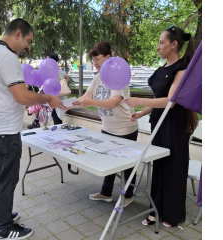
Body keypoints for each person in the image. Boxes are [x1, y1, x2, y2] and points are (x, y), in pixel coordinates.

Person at [0, 18, 63, 240]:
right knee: (6, 179)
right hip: (3, 130)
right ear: (17, 34)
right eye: (28, 41)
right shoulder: (7, 57)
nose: (29, 47)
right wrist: (48, 98)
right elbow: (23, 96)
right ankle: (4, 230)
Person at [124, 25, 198, 228]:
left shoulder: (181, 69)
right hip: (158, 124)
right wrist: (142, 111)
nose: (158, 46)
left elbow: (170, 101)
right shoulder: (160, 70)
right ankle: (156, 211)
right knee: (158, 168)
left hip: (174, 127)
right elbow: (158, 99)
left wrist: (138, 99)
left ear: (174, 45)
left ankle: (172, 215)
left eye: (161, 42)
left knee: (173, 170)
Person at [68, 42, 138, 207]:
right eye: (93, 60)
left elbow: (113, 102)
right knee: (108, 161)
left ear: (108, 57)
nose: (95, 63)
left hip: (125, 129)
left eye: (98, 59)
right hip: (108, 128)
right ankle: (106, 193)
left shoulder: (118, 76)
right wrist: (71, 103)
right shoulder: (97, 78)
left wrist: (90, 102)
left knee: (127, 165)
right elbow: (86, 96)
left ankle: (128, 195)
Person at [47, 52, 70, 125]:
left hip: (56, 97)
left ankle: (59, 134)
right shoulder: (58, 69)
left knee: (57, 118)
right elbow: (67, 76)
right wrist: (64, 83)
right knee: (57, 117)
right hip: (60, 96)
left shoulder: (52, 70)